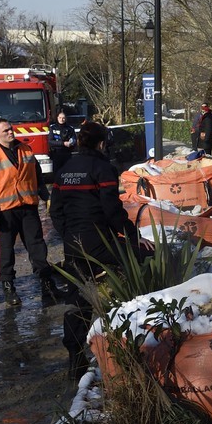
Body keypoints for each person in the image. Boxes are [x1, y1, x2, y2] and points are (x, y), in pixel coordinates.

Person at [51, 121, 138, 373]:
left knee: (78, 298)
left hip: (73, 245)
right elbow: (112, 210)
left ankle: (75, 362)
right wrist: (132, 236)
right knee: (129, 277)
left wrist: (68, 234)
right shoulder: (103, 169)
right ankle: (121, 346)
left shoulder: (64, 169)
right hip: (100, 242)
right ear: (102, 143)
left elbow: (55, 211)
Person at [0, 117, 57, 308]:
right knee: (6, 251)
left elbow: (38, 177)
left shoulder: (26, 150)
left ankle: (48, 287)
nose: (10, 132)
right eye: (5, 131)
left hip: (28, 208)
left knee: (37, 247)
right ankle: (8, 288)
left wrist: (47, 197)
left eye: (11, 129)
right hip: (5, 211)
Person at [49, 108, 77, 174]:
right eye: (60, 117)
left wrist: (71, 142)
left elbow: (74, 140)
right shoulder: (53, 128)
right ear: (57, 118)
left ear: (66, 118)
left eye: (63, 118)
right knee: (57, 173)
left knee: (67, 172)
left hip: (67, 154)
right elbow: (50, 141)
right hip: (56, 154)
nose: (61, 119)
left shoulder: (70, 128)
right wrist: (63, 143)